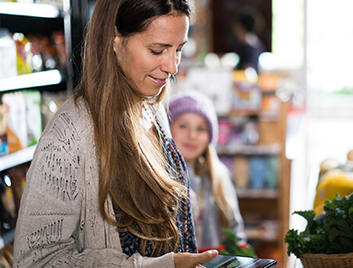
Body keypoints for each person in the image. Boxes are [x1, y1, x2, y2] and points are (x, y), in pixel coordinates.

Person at [12, 0, 219, 267]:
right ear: (115, 39)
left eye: (179, 49)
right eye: (157, 50)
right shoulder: (69, 136)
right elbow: (36, 261)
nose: (172, 66)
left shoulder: (153, 109)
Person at [169, 90, 246, 248]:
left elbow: (235, 230)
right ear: (167, 130)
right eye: (183, 126)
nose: (192, 135)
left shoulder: (219, 176)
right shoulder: (160, 176)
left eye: (201, 129)